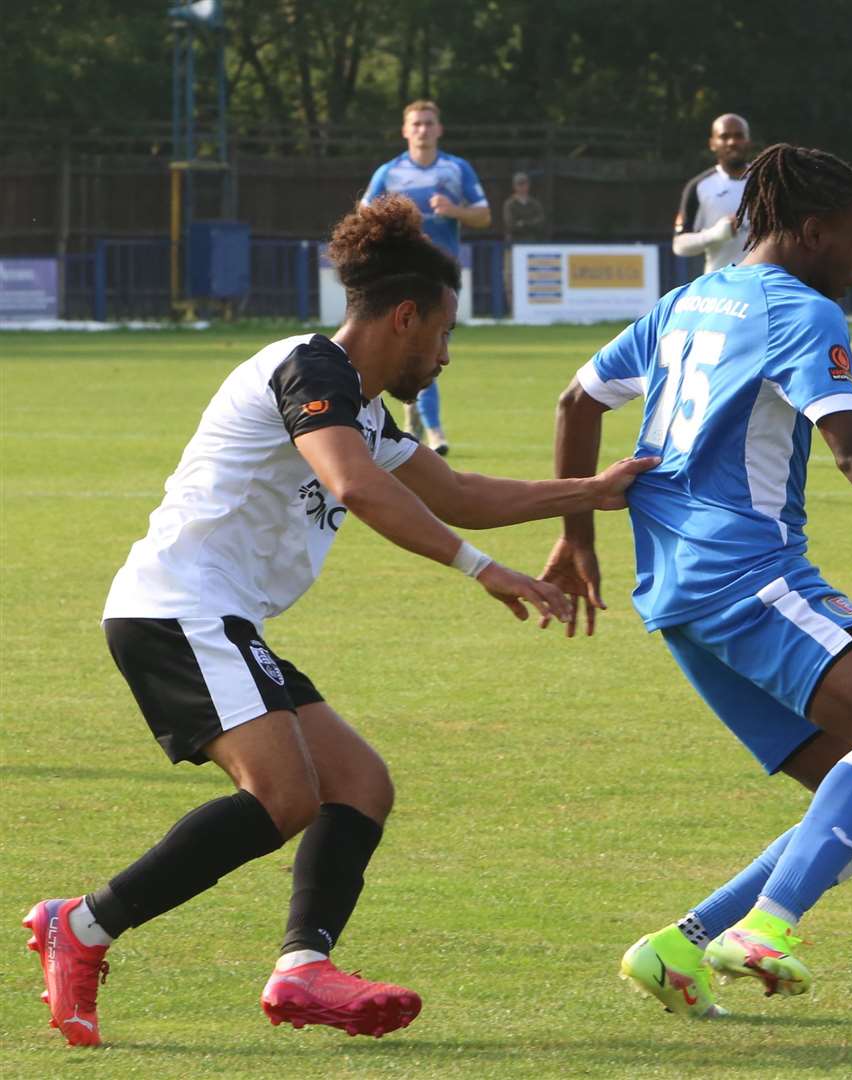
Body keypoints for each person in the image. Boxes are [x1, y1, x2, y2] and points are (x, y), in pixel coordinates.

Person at [20, 195, 654, 1047]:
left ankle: (300, 969)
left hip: (217, 616)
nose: (446, 356)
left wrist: (589, 493)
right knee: (283, 797)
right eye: (444, 334)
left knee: (359, 784)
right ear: (405, 316)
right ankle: (84, 926)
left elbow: (459, 492)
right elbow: (355, 486)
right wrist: (480, 568)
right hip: (179, 608)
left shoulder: (360, 407)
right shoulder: (311, 371)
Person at [540, 143, 852, 1018]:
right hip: (746, 573)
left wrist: (576, 535)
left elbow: (575, 401)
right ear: (809, 233)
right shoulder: (800, 313)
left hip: (675, 595)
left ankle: (679, 949)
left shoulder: (686, 300)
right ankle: (768, 925)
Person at [363, 99, 491, 456]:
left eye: (428, 123)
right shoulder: (389, 172)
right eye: (416, 124)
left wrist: (455, 211)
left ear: (439, 129)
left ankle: (415, 414)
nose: (422, 129)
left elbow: (484, 215)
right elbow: (363, 216)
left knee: (427, 346)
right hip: (402, 273)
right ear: (405, 130)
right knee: (417, 345)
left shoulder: (456, 169)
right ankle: (432, 429)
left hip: (441, 274)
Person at [672, 114, 752, 273]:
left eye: (739, 136)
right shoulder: (700, 186)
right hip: (720, 286)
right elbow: (679, 246)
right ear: (712, 143)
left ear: (748, 141)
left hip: (763, 285)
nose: (732, 142)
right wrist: (716, 234)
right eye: (724, 136)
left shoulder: (768, 183)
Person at [501, 171, 547, 311]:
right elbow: (511, 225)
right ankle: (513, 309)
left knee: (533, 278)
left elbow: (541, 223)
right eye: (519, 184)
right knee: (511, 278)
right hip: (513, 246)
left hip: (531, 246)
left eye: (524, 184)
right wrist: (528, 224)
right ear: (514, 186)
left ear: (528, 185)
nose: (522, 187)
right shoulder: (510, 204)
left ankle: (533, 309)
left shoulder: (534, 204)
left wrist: (523, 224)